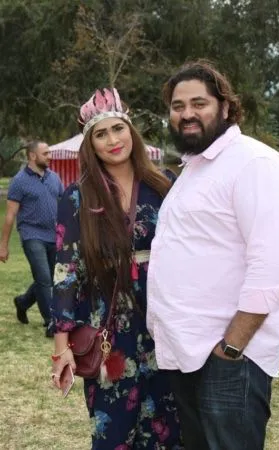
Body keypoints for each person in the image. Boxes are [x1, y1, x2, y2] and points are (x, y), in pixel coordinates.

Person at [146, 61, 279, 450]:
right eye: (178, 106)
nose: (187, 114)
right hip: (188, 354)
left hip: (230, 358)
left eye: (199, 103)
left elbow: (271, 267)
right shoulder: (194, 169)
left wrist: (230, 347)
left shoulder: (254, 163)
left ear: (226, 107)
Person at [50, 88, 183, 449]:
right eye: (101, 134)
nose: (112, 140)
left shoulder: (165, 185)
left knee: (166, 431)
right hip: (108, 326)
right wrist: (62, 347)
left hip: (163, 321)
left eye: (118, 129)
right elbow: (67, 271)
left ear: (131, 131)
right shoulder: (77, 196)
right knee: (113, 433)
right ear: (90, 144)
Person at [0, 141, 63, 337]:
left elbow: (64, 204)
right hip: (31, 234)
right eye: (45, 153)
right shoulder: (19, 181)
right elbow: (10, 215)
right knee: (44, 278)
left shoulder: (54, 178)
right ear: (33, 156)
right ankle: (51, 321)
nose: (49, 156)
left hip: (53, 235)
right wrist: (3, 245)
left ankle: (23, 302)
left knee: (49, 278)